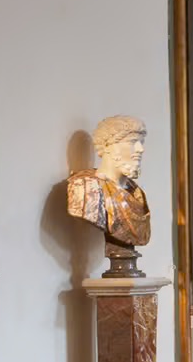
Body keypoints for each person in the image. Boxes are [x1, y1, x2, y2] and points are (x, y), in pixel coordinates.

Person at [65, 114, 154, 276]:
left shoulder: (136, 193)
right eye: (132, 142)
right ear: (108, 146)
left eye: (141, 142)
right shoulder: (85, 187)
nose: (140, 149)